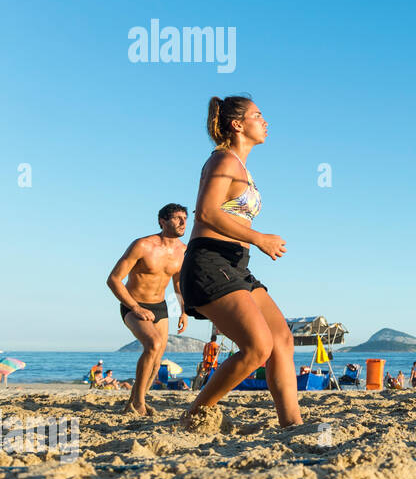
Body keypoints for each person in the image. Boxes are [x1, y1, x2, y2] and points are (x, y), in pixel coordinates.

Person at [178, 96, 301, 429]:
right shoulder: (223, 161)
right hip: (208, 261)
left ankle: (291, 424)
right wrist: (259, 238)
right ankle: (195, 414)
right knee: (257, 347)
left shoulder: (240, 166)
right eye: (258, 115)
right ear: (237, 124)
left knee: (282, 341)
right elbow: (206, 212)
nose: (265, 121)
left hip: (236, 265)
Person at [106, 203, 189, 416]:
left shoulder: (183, 251)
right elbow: (114, 279)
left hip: (160, 307)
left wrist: (183, 310)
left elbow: (178, 283)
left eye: (185, 218)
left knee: (157, 357)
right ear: (163, 221)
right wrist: (134, 307)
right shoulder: (143, 245)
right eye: (177, 218)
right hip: (133, 304)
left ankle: (133, 403)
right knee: (153, 344)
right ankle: (139, 403)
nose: (183, 222)